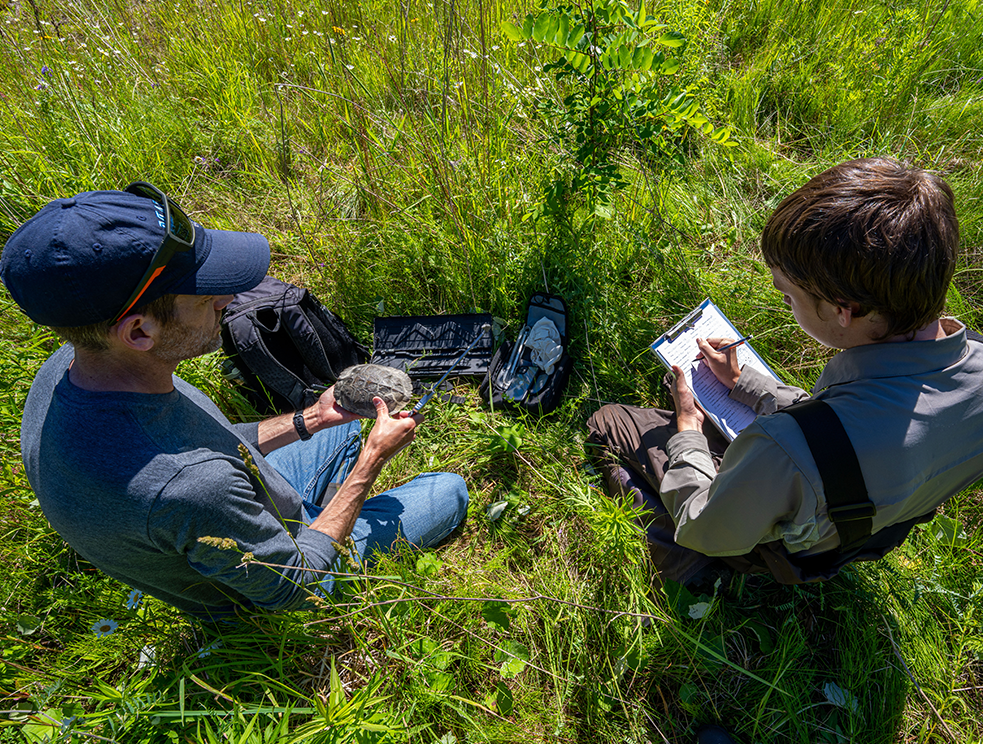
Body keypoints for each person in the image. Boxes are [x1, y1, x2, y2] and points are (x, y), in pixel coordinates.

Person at [1, 183, 469, 620]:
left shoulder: (74, 367)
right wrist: (371, 461)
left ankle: (322, 493)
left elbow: (210, 441)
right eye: (203, 295)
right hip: (268, 584)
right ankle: (330, 516)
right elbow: (292, 586)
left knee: (342, 423)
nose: (226, 297)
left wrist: (311, 418)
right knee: (449, 491)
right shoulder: (189, 486)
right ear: (140, 331)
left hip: (229, 510)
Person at [588, 158, 983, 585]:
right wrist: (747, 384)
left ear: (841, 310)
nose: (785, 305)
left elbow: (707, 526)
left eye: (789, 295)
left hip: (789, 547)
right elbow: (846, 432)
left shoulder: (781, 449)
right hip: (861, 528)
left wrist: (688, 431)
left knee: (610, 423)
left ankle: (697, 571)